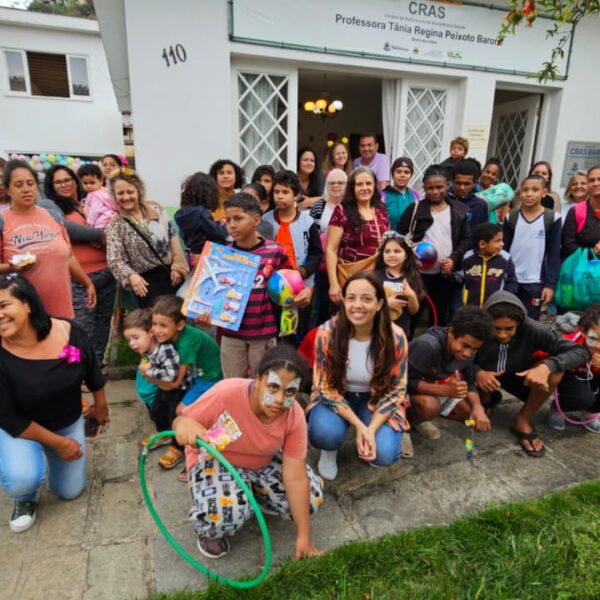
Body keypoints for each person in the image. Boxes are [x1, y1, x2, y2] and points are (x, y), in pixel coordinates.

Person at [174, 345, 323, 559]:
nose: (280, 399)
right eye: (273, 387)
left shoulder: (294, 415)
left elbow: (296, 476)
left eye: (290, 392)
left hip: (260, 462)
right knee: (227, 513)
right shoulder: (226, 393)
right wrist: (185, 425)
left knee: (311, 499)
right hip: (216, 459)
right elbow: (182, 419)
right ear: (258, 379)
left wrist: (304, 537)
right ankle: (208, 530)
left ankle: (254, 496)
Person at [0, 275, 109, 533]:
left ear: (27, 304)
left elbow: (91, 369)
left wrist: (101, 407)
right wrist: (60, 444)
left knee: (70, 492)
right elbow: (8, 417)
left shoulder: (67, 331)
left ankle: (45, 457)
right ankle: (24, 498)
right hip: (20, 428)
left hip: (67, 420)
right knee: (23, 478)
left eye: (4, 305)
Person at [307, 272, 408, 480]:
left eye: (367, 299)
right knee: (324, 434)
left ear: (380, 304)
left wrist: (371, 430)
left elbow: (397, 389)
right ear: (343, 301)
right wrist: (360, 426)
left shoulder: (395, 336)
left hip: (376, 397)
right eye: (351, 298)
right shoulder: (327, 333)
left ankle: (370, 437)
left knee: (385, 454)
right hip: (337, 394)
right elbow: (324, 387)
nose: (358, 305)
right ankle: (331, 448)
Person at [195, 193, 296, 378]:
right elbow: (208, 297)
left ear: (256, 220)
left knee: (264, 384)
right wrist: (204, 315)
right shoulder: (221, 256)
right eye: (228, 220)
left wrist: (302, 294)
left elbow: (291, 285)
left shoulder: (275, 252)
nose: (232, 225)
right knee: (232, 385)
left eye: (238, 218)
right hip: (230, 336)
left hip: (264, 334)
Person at [476, 291, 588, 456]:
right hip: (485, 375)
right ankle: (487, 397)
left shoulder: (533, 329)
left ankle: (522, 419)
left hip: (521, 375)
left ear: (519, 323)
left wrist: (546, 367)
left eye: (509, 328)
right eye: (495, 328)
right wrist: (478, 372)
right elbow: (458, 356)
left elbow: (580, 351)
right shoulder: (477, 327)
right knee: (464, 407)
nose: (501, 335)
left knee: (556, 373)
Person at [0, 160, 96, 319]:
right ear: (8, 189)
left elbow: (69, 256)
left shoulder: (52, 215)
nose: (26, 189)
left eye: (30, 183)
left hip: (62, 310)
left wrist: (87, 282)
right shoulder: (3, 221)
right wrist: (11, 267)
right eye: (18, 185)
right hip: (24, 315)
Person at [43, 164, 114, 367]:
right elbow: (65, 228)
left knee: (102, 326)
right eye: (58, 182)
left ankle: (97, 367)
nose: (64, 184)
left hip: (106, 274)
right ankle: (79, 369)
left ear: (75, 181)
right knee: (82, 328)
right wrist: (101, 236)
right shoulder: (50, 206)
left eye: (67, 180)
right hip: (79, 279)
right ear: (51, 186)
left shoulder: (90, 201)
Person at [142, 296, 222, 470]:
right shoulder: (171, 335)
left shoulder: (186, 344)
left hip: (208, 378)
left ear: (179, 325)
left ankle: (179, 448)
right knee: (158, 407)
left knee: (180, 411)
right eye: (154, 324)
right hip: (195, 372)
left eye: (163, 325)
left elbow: (176, 382)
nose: (156, 330)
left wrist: (150, 377)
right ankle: (166, 434)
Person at [397, 165, 472, 326]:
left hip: (444, 274)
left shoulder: (458, 211)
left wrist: (453, 259)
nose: (435, 192)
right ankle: (408, 339)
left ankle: (435, 338)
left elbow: (466, 238)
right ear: (424, 188)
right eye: (430, 188)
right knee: (413, 313)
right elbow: (400, 236)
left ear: (448, 186)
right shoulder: (414, 210)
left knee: (439, 314)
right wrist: (411, 248)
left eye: (439, 187)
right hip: (418, 274)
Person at [407, 306, 494, 443]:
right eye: (465, 345)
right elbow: (401, 382)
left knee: (470, 415)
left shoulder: (469, 351)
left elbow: (469, 380)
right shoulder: (427, 346)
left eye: (474, 349)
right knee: (429, 406)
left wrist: (478, 407)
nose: (468, 353)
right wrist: (444, 390)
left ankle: (419, 418)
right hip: (400, 392)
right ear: (451, 332)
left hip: (434, 387)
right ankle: (403, 426)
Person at [106, 168, 189, 308]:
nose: (126, 197)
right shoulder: (115, 224)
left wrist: (178, 267)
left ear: (138, 191)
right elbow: (115, 259)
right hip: (144, 283)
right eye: (120, 193)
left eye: (130, 192)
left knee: (177, 316)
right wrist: (131, 276)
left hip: (170, 276)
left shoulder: (156, 209)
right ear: (114, 195)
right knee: (153, 319)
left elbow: (172, 238)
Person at [262, 170, 322, 339]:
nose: (279, 196)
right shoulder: (265, 221)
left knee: (296, 333)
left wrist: (301, 272)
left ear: (296, 195)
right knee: (273, 333)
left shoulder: (307, 222)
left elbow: (316, 254)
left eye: (285, 192)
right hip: (271, 287)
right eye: (276, 192)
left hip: (300, 287)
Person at [123, 307, 185, 459]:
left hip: (176, 392)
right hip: (162, 389)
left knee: (173, 418)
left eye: (135, 337)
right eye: (129, 339)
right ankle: (164, 434)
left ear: (151, 333)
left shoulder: (165, 350)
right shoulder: (146, 349)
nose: (132, 344)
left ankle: (177, 447)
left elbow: (172, 375)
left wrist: (150, 371)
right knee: (156, 412)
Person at [326, 167, 389, 305]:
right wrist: (333, 284)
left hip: (377, 278)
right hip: (350, 278)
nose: (364, 188)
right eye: (359, 184)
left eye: (368, 183)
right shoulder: (342, 211)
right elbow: (331, 250)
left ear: (374, 186)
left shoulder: (381, 210)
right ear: (352, 188)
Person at [503, 175, 561, 320]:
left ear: (544, 192)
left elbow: (554, 254)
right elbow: (504, 250)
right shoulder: (511, 218)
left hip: (535, 282)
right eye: (525, 190)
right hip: (511, 280)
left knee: (530, 322)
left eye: (535, 190)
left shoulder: (553, 218)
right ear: (520, 193)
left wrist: (550, 285)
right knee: (507, 318)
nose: (529, 194)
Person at [545, 305, 600, 433]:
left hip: (593, 378)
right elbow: (544, 354)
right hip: (569, 375)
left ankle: (591, 412)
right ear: (583, 331)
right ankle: (560, 407)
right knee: (583, 397)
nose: (598, 346)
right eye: (593, 338)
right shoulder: (568, 341)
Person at [310, 168, 348, 325]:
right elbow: (311, 233)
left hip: (345, 263)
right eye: (332, 183)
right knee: (322, 305)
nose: (336, 186)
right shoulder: (319, 205)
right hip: (323, 264)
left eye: (340, 182)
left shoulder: (350, 206)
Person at [374, 232, 423, 339]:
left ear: (406, 255)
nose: (391, 255)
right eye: (387, 251)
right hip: (377, 330)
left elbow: (413, 311)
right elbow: (368, 301)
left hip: (401, 332)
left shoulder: (411, 277)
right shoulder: (375, 276)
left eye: (397, 251)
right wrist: (386, 303)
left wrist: (411, 295)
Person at [174, 172, 227, 263]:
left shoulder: (183, 213)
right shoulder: (201, 213)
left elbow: (199, 230)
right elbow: (217, 233)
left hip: (192, 255)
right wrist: (225, 226)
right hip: (207, 255)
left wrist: (217, 223)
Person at [461, 223, 518, 307]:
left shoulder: (505, 259)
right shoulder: (467, 258)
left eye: (502, 240)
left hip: (494, 308)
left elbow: (512, 282)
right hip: (471, 308)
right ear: (482, 244)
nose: (502, 244)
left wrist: (503, 299)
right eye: (498, 241)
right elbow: (461, 277)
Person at [562, 166, 600, 259]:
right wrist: (592, 252)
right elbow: (568, 245)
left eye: (599, 179)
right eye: (591, 180)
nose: (596, 183)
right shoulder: (575, 211)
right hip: (584, 266)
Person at [382, 157, 422, 230]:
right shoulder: (383, 197)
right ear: (392, 174)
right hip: (389, 237)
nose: (402, 175)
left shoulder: (417, 196)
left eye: (406, 172)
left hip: (411, 237)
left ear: (411, 175)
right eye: (398, 172)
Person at [449, 159, 489, 228]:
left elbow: (483, 231)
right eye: (458, 183)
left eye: (467, 184)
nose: (462, 187)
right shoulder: (443, 201)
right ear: (452, 181)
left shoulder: (480, 205)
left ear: (475, 183)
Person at [78, 163, 118, 228]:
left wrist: (89, 223)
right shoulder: (104, 191)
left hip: (103, 221)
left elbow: (94, 211)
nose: (88, 186)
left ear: (101, 181)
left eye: (92, 183)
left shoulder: (95, 196)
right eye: (85, 183)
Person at [208, 159, 245, 223]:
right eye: (221, 173)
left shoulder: (243, 201)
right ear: (215, 178)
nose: (225, 176)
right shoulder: (208, 202)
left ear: (236, 177)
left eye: (229, 173)